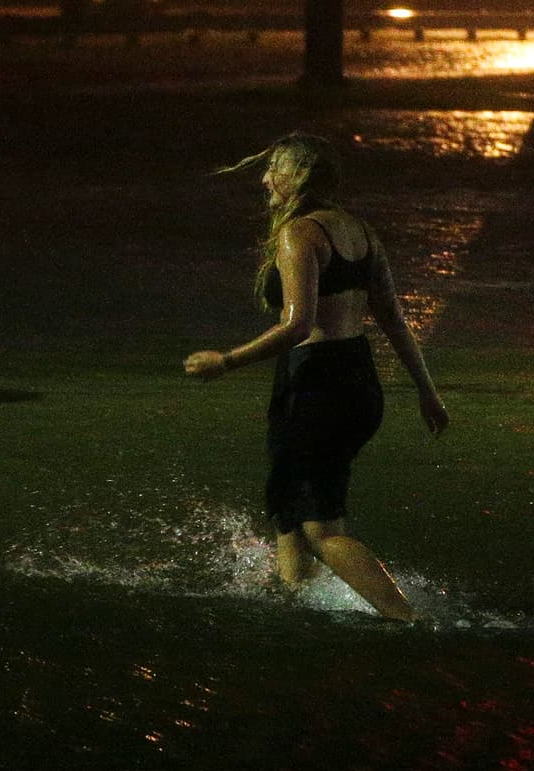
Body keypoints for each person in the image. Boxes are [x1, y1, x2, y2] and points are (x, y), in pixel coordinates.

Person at [184, 133, 448, 623]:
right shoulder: (362, 232)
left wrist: (226, 361)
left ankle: (407, 620)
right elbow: (392, 317)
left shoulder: (299, 234)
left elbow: (297, 324)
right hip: (357, 381)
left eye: (273, 170)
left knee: (320, 528)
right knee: (288, 500)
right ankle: (295, 606)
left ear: (297, 176)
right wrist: (427, 393)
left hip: (318, 385)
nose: (264, 179)